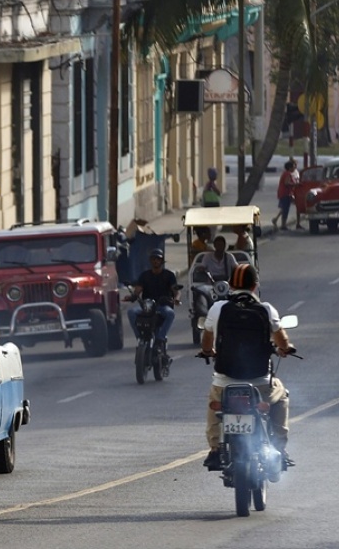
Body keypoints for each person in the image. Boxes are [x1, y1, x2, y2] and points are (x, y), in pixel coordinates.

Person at [199, 263, 295, 471]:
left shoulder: (218, 308)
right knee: (282, 396)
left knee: (214, 403)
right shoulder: (267, 310)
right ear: (254, 286)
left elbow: (206, 341)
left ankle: (215, 449)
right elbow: (282, 342)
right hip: (260, 384)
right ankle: (279, 448)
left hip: (224, 383)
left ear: (231, 285)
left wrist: (208, 351)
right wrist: (286, 349)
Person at [126, 248, 179, 346]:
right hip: (147, 307)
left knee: (170, 313)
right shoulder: (144, 275)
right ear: (150, 261)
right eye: (153, 259)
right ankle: (139, 336)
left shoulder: (169, 275)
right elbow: (137, 291)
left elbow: (176, 291)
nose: (155, 261)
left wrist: (176, 299)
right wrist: (131, 297)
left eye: (158, 259)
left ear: (162, 261)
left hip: (163, 306)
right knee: (131, 312)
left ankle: (161, 337)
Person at [273, 159, 299, 231]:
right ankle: (283, 224)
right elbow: (286, 183)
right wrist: (295, 184)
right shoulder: (287, 174)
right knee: (285, 209)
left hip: (287, 193)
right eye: (293, 167)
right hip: (285, 193)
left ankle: (276, 219)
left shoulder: (286, 173)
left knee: (284, 208)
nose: (294, 168)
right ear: (290, 167)